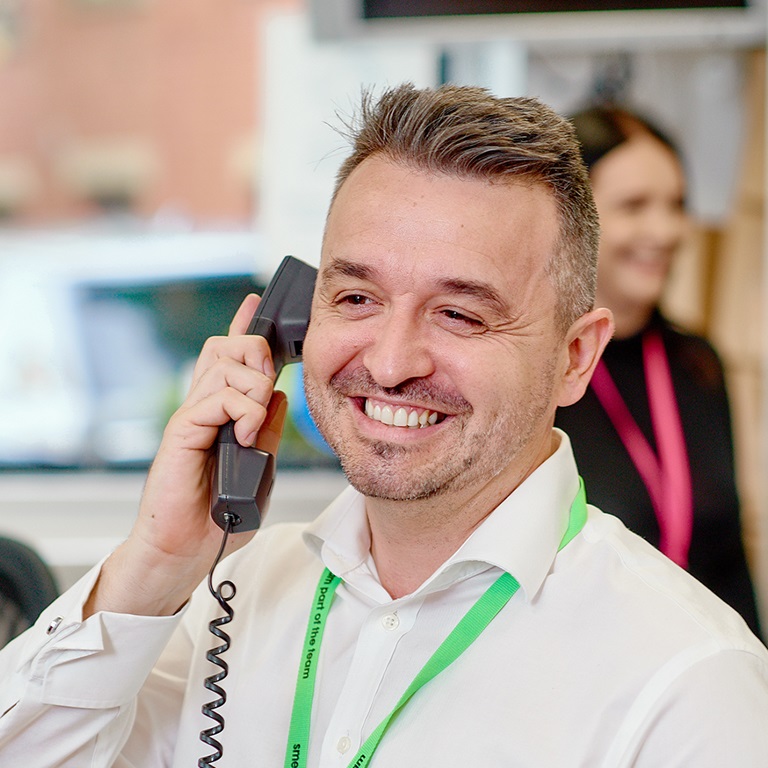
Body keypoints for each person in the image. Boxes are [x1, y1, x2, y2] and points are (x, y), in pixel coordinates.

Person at [1, 83, 767, 767]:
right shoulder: (224, 603)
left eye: (460, 314)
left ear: (574, 357)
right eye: (357, 299)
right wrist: (157, 562)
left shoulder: (690, 680)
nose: (393, 361)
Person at [555, 105, 762, 637]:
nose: (665, 229)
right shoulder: (540, 374)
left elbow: (729, 559)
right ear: (573, 219)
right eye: (635, 205)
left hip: (702, 681)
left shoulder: (696, 364)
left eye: (676, 205)